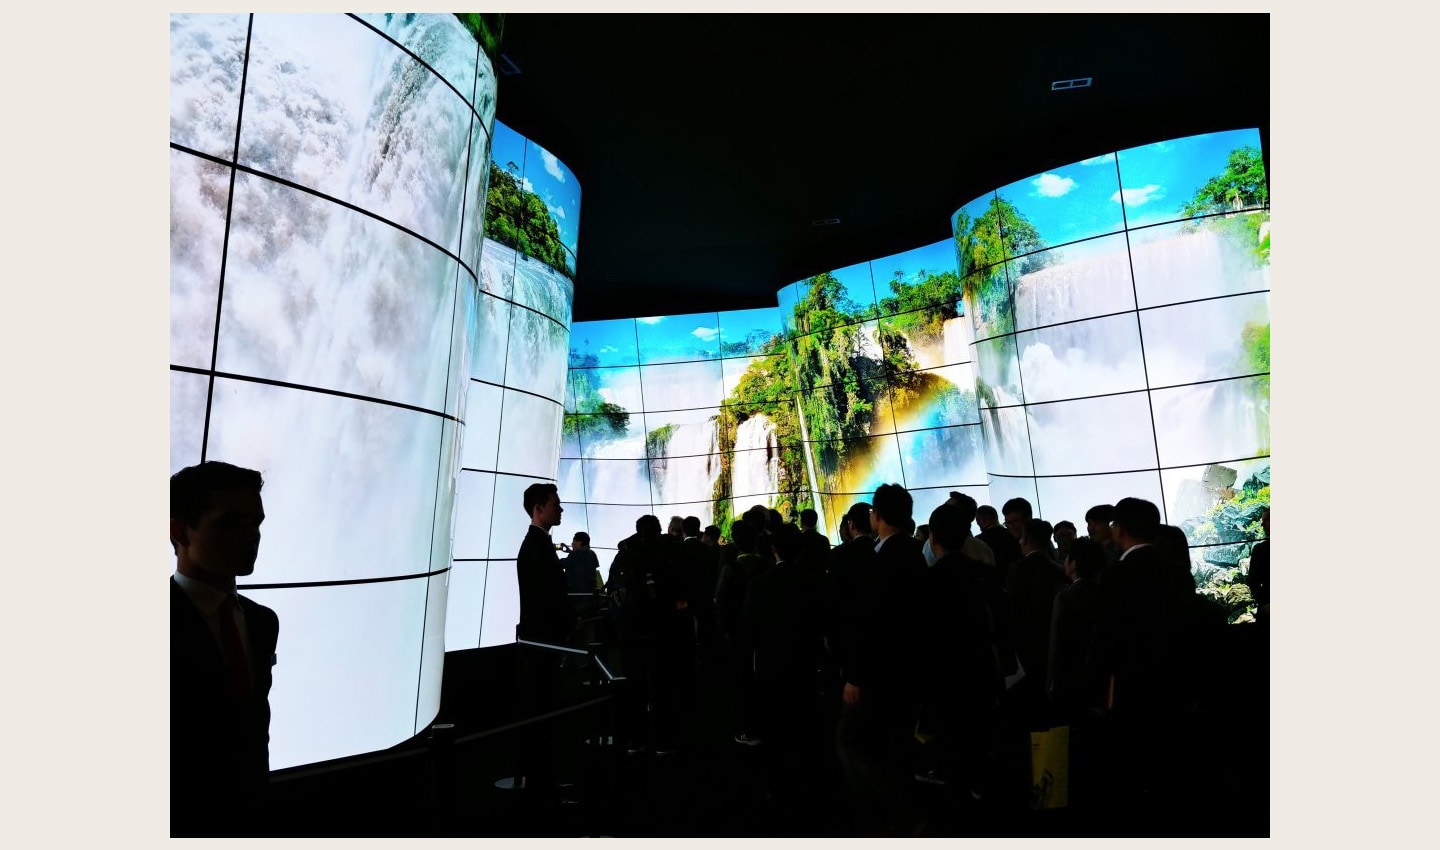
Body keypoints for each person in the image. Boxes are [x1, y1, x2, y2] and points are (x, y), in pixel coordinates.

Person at [170, 461, 279, 837]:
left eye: (256, 523)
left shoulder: (263, 622)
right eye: (231, 522)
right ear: (179, 530)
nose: (252, 535)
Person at [514, 483, 580, 791]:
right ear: (539, 508)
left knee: (540, 705)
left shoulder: (536, 545)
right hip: (542, 640)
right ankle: (540, 778)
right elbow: (547, 598)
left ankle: (539, 775)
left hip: (540, 639)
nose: (561, 509)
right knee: (541, 705)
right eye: (556, 504)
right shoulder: (536, 547)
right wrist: (567, 626)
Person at [976, 504, 1021, 570]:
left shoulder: (978, 541)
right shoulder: (1013, 534)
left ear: (983, 520)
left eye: (977, 522)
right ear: (996, 517)